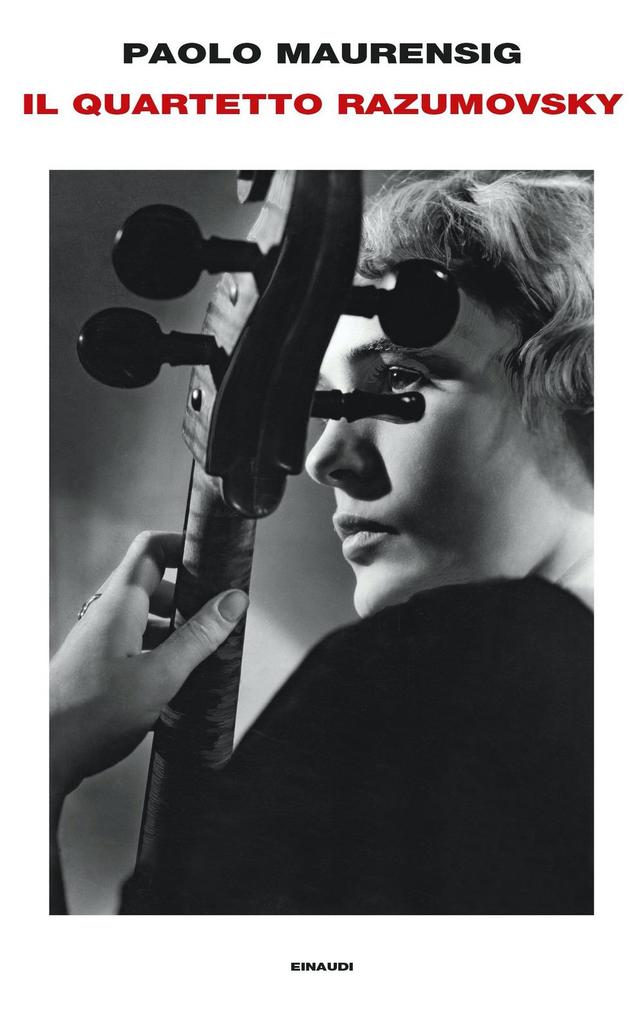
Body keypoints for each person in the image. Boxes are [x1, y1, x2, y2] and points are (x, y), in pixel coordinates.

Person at [50, 170, 593, 914]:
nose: (322, 458)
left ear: (587, 392)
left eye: (397, 382)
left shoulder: (426, 669)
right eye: (328, 402)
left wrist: (47, 748)